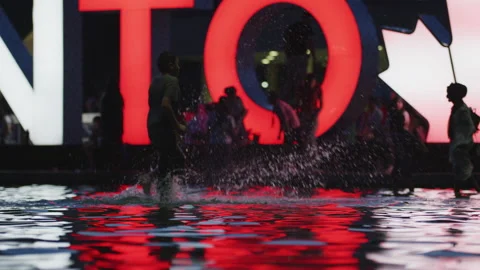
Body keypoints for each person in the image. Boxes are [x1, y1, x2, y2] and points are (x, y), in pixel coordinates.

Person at [141, 52, 186, 198]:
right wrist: (178, 126)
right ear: (171, 66)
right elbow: (166, 105)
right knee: (178, 159)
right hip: (163, 125)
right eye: (177, 64)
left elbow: (153, 104)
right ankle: (158, 188)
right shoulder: (172, 81)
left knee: (165, 159)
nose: (179, 68)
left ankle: (161, 194)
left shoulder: (155, 81)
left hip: (152, 125)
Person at [446, 83, 480, 197]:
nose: (447, 96)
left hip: (461, 143)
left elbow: (470, 127)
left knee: (463, 169)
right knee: (461, 168)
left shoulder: (462, 110)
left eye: (449, 93)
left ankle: (459, 191)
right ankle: (460, 191)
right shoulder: (458, 108)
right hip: (458, 142)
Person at [281, 11, 316, 104]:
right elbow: (310, 43)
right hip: (300, 56)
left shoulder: (294, 27)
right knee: (299, 79)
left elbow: (285, 40)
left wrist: (287, 54)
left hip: (291, 56)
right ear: (307, 19)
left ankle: (284, 100)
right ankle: (298, 100)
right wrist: (313, 55)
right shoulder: (306, 28)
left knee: (290, 78)